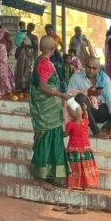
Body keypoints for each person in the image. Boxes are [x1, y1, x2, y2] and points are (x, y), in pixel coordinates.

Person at [29, 35, 70, 185]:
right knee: (47, 140)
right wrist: (61, 94)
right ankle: (40, 177)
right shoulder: (46, 63)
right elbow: (43, 87)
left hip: (48, 110)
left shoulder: (40, 61)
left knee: (53, 140)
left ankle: (52, 175)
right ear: (53, 49)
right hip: (47, 111)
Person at [66, 57, 111, 138]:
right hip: (85, 111)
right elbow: (69, 97)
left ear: (99, 69)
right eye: (88, 67)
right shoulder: (76, 77)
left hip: (102, 110)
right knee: (80, 98)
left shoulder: (104, 78)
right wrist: (88, 93)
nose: (91, 70)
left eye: (94, 68)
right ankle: (96, 131)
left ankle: (107, 128)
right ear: (84, 66)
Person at [65, 100, 99, 191]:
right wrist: (85, 109)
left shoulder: (70, 124)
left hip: (74, 151)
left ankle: (71, 184)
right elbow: (86, 116)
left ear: (70, 114)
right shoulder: (86, 122)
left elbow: (65, 134)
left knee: (74, 168)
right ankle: (85, 184)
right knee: (85, 169)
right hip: (86, 150)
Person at [14, 23, 37, 96]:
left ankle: (26, 87)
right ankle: (19, 87)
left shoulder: (34, 37)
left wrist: (27, 45)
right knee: (19, 69)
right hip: (21, 54)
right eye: (28, 27)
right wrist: (17, 52)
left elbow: (35, 46)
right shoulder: (22, 34)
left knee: (27, 70)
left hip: (29, 55)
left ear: (33, 29)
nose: (29, 29)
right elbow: (18, 44)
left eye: (31, 28)